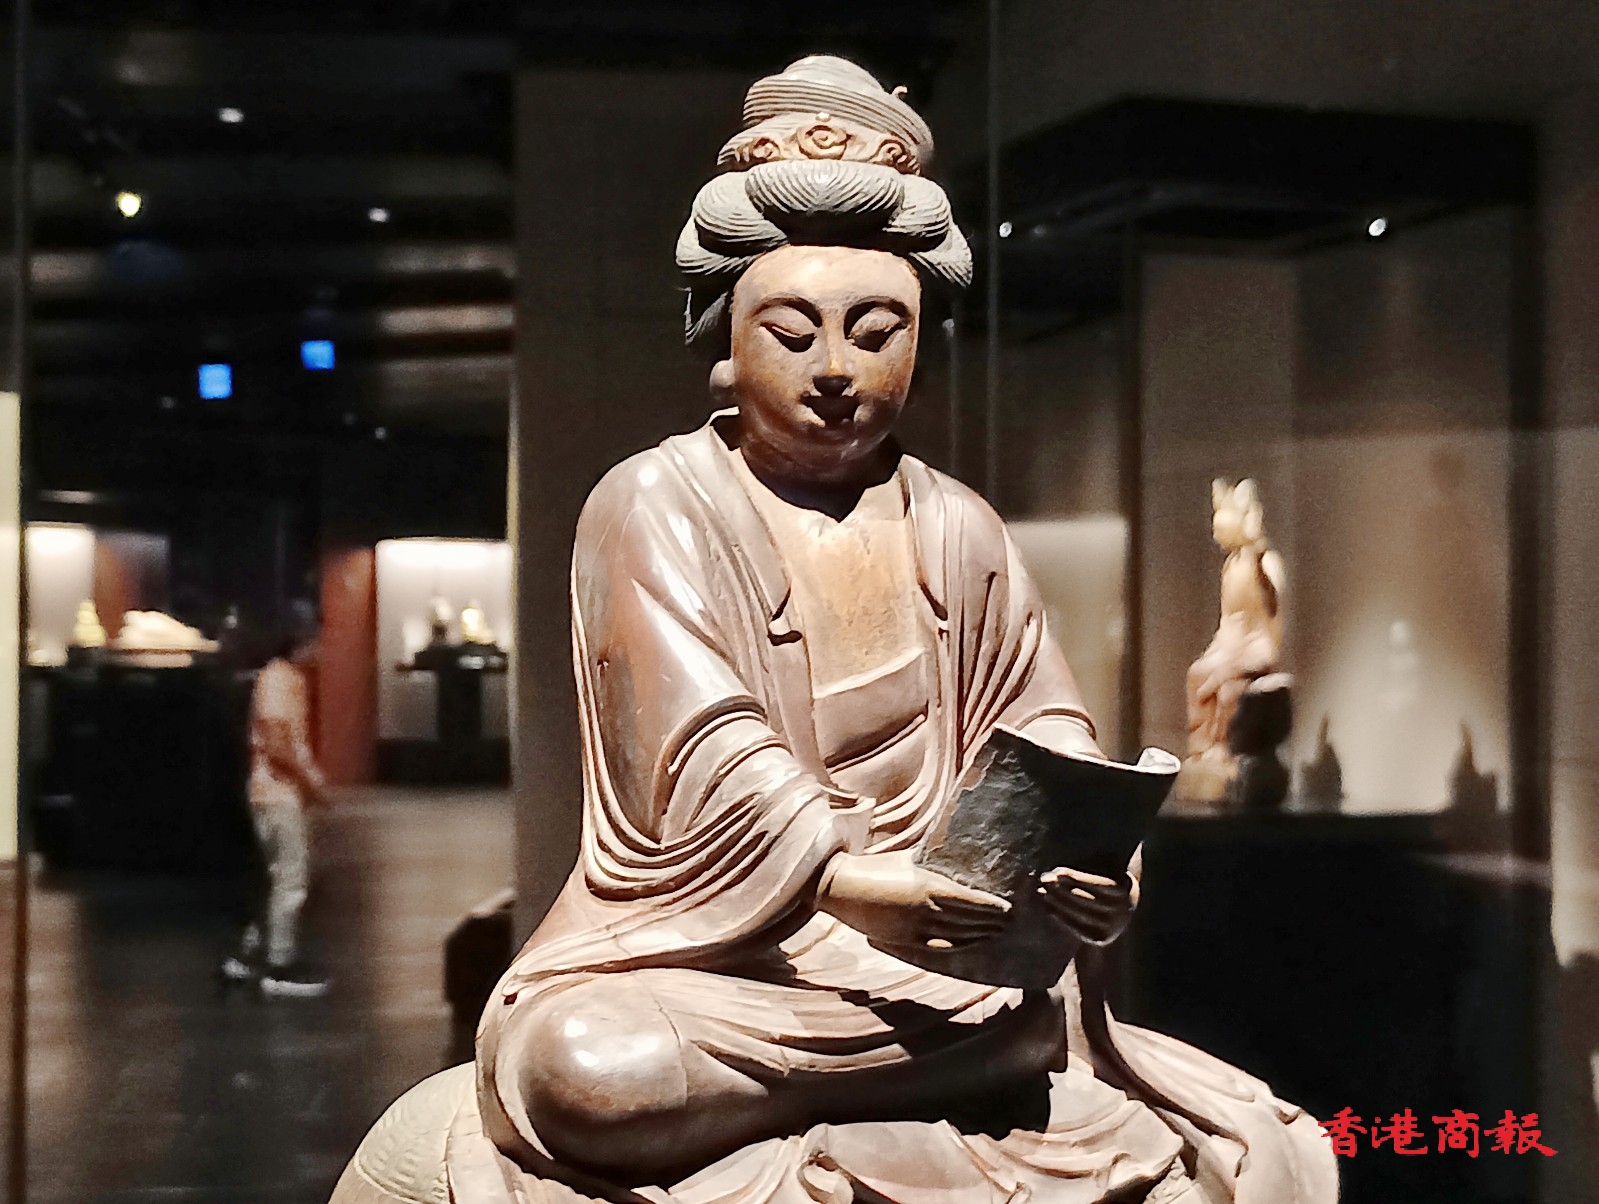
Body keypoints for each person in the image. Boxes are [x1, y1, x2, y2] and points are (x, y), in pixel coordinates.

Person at [330, 55, 1336, 1204]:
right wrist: (851, 883)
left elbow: (1045, 729)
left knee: (1029, 1015)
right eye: (793, 331)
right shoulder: (657, 502)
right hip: (724, 952)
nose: (836, 371)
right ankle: (972, 1061)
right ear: (728, 337)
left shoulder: (957, 527)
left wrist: (1089, 867)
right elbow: (700, 752)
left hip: (943, 953)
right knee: (585, 1070)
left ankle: (983, 1046)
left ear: (922, 342)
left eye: (875, 330)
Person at [221, 625, 331, 997]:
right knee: (290, 879)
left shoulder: (284, 678)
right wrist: (311, 783)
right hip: (277, 794)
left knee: (273, 878)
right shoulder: (280, 680)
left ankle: (249, 955)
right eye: (316, 643)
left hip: (273, 792)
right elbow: (278, 743)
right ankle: (279, 964)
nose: (321, 651)